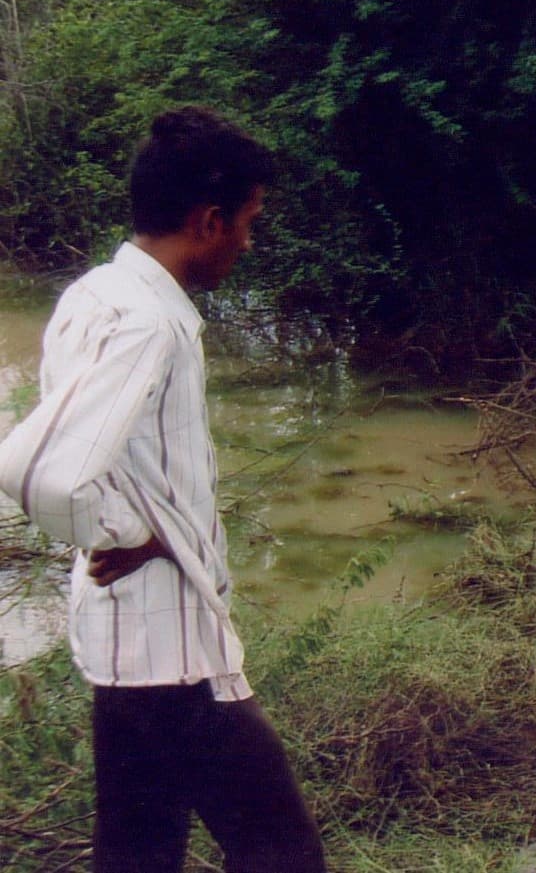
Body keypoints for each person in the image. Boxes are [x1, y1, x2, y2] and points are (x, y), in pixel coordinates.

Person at [0, 107, 325, 872]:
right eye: (247, 222)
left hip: (123, 646)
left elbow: (93, 456)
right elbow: (35, 468)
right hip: (173, 655)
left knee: (138, 852)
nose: (247, 241)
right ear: (210, 220)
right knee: (285, 854)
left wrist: (115, 525)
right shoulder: (152, 324)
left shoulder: (96, 291)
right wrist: (122, 534)